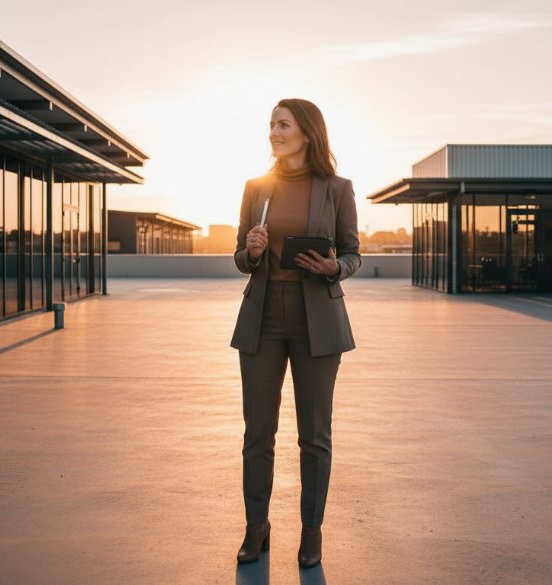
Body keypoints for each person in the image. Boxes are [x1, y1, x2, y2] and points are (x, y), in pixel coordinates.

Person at [231, 98, 361, 568]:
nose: (274, 132)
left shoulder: (336, 188)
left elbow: (352, 253)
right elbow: (240, 259)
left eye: (282, 124)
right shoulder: (256, 187)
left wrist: (334, 268)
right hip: (263, 319)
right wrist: (251, 250)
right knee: (258, 433)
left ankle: (312, 533)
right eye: (271, 124)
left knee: (315, 437)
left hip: (318, 324)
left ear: (306, 132)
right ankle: (256, 526)